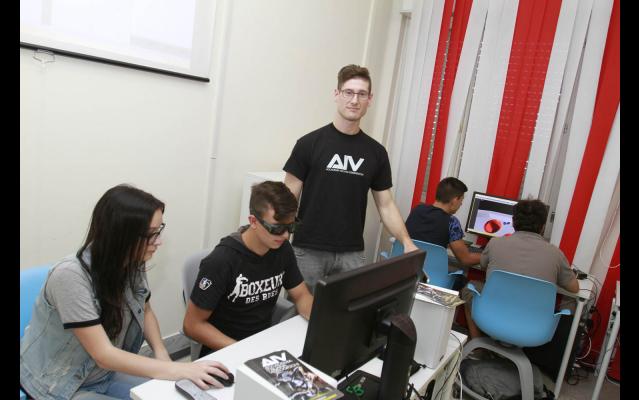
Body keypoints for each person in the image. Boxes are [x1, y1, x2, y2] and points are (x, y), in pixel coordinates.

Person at [20, 184, 230, 400]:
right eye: (151, 234)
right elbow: (103, 354)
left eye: (159, 230)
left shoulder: (131, 261)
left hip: (103, 373)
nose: (159, 241)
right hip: (58, 384)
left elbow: (145, 310)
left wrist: (161, 354)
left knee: (172, 395)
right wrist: (178, 369)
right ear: (121, 235)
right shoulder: (69, 277)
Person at [283, 64, 418, 291]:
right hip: (308, 250)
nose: (354, 100)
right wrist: (278, 238)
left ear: (369, 99)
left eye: (361, 94)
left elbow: (386, 205)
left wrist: (407, 242)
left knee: (347, 312)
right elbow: (288, 198)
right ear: (337, 94)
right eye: (348, 92)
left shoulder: (376, 153)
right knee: (301, 310)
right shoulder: (309, 144)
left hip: (352, 254)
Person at [183, 181, 314, 357]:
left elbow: (301, 295)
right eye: (277, 228)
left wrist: (317, 321)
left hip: (262, 342)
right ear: (253, 221)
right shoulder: (222, 261)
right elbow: (192, 325)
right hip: (224, 348)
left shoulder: (282, 249)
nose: (285, 235)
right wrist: (243, 351)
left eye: (291, 227)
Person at [461, 199, 579, 339]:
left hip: (492, 315)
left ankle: (476, 341)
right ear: (543, 227)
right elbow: (574, 288)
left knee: (470, 288)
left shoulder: (495, 243)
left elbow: (483, 265)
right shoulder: (556, 254)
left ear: (513, 222)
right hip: (532, 326)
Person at [405, 177, 481, 276]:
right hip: (432, 278)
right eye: (461, 200)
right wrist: (488, 256)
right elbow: (466, 259)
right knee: (461, 278)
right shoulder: (451, 222)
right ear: (454, 200)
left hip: (406, 271)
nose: (461, 204)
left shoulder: (417, 210)